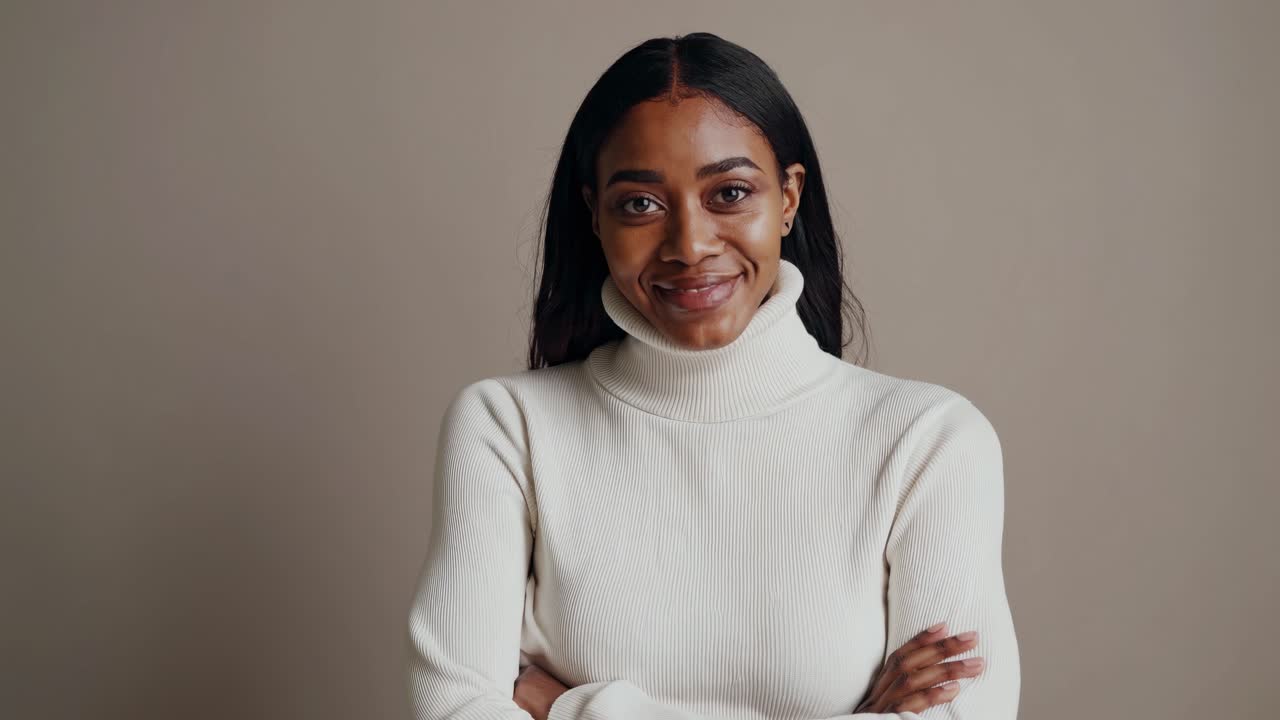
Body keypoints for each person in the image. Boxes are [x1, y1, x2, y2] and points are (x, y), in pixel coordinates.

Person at [406, 32, 1020, 720]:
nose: (690, 246)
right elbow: (454, 709)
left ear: (788, 198)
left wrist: (579, 709)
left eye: (729, 192)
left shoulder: (928, 443)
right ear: (595, 216)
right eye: (640, 204)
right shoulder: (506, 429)